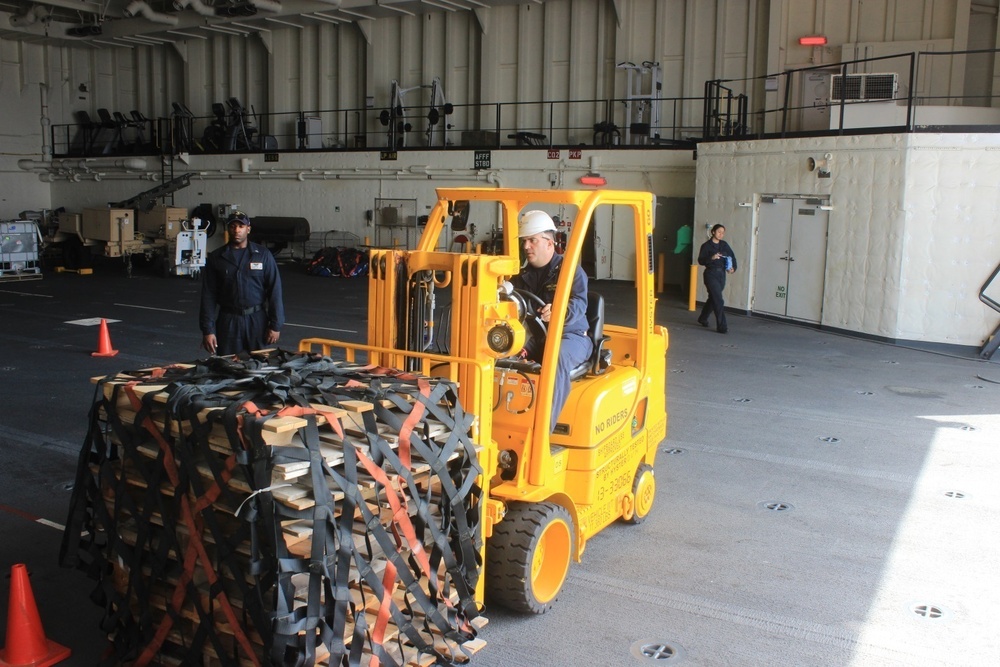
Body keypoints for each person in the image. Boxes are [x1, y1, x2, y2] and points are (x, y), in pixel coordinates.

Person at [511, 210, 593, 432]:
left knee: (555, 358)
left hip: (570, 335)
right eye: (524, 241)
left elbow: (579, 303)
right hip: (535, 336)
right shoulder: (519, 274)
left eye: (532, 240)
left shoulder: (570, 271)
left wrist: (560, 311)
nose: (526, 246)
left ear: (549, 243)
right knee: (498, 351)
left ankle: (542, 432)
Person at [200, 211, 284, 356]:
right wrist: (208, 330)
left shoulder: (263, 255)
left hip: (257, 321)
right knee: (227, 366)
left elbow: (274, 291)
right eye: (233, 226)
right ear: (228, 229)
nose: (237, 230)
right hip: (229, 321)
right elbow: (208, 296)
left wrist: (275, 325)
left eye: (241, 226)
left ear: (248, 229)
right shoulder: (216, 258)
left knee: (261, 366)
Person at [697, 223, 737, 333]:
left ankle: (703, 318)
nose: (721, 234)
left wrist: (732, 268)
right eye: (719, 232)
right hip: (710, 274)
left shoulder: (724, 245)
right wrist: (712, 257)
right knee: (718, 300)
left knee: (713, 298)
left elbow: (731, 257)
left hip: (721, 274)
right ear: (713, 232)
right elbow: (701, 261)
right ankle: (722, 326)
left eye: (723, 233)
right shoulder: (706, 246)